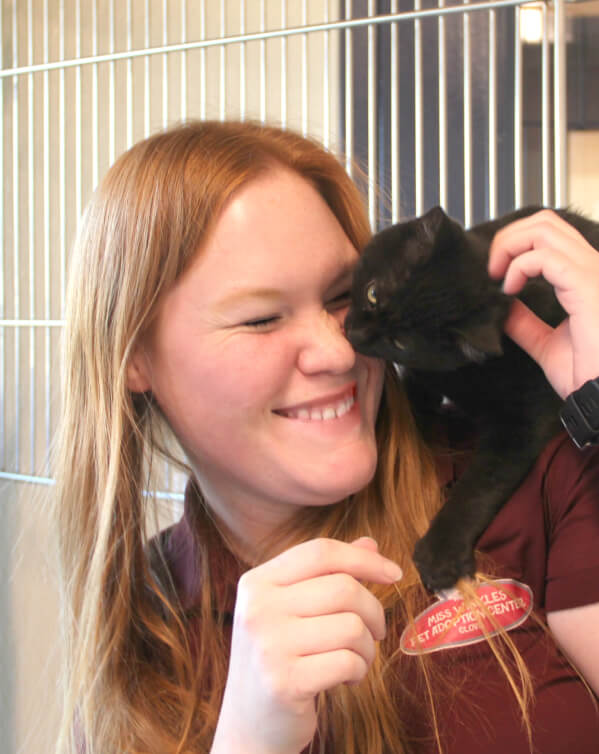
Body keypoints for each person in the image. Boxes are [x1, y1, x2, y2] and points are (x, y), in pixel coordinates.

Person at [53, 120, 599, 754]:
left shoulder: (540, 473)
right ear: (135, 358)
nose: (339, 352)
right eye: (261, 319)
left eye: (343, 295)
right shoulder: (147, 621)